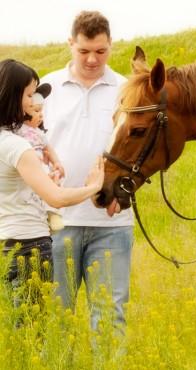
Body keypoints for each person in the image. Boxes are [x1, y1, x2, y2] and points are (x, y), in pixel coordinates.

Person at [41, 10, 134, 332]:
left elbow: (141, 150)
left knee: (109, 317)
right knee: (56, 317)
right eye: (84, 51)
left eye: (100, 51)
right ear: (70, 44)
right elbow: (28, 147)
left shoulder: (126, 89)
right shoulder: (46, 87)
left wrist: (124, 193)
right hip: (55, 223)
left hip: (111, 224)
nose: (92, 59)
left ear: (111, 45)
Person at [0, 58, 104, 290]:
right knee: (32, 325)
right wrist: (94, 187)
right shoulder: (17, 146)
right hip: (28, 244)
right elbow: (56, 198)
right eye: (29, 95)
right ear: (11, 96)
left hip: (5, 241)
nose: (33, 102)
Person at [16, 83, 65, 233]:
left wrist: (56, 162)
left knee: (53, 183)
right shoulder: (17, 130)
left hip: (41, 165)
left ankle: (53, 214)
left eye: (41, 111)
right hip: (28, 165)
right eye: (36, 111)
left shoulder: (38, 132)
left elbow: (48, 148)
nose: (41, 115)